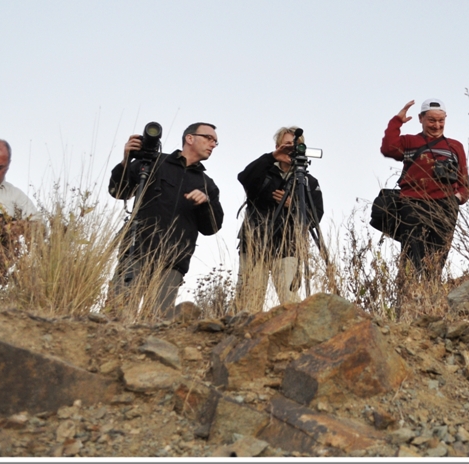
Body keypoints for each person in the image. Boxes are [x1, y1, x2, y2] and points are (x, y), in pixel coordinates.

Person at [108, 122, 224, 318]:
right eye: (209, 138)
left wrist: (205, 204)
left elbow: (212, 227)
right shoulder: (153, 162)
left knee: (158, 322)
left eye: (215, 142)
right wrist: (126, 161)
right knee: (118, 315)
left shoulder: (207, 185)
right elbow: (119, 191)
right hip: (137, 251)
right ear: (190, 138)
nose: (213, 144)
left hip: (172, 263)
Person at [381, 98, 469, 284]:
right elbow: (388, 148)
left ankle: (431, 304)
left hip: (445, 207)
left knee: (436, 263)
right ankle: (406, 305)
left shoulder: (455, 146)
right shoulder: (410, 141)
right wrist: (397, 121)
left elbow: (464, 182)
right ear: (421, 118)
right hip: (413, 205)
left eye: (441, 120)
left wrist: (457, 198)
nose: (437, 125)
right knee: (410, 262)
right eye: (431, 120)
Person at [235, 126, 324, 312]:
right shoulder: (264, 171)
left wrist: (293, 206)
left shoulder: (307, 182)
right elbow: (244, 178)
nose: (291, 149)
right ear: (277, 146)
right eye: (287, 144)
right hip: (255, 242)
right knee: (249, 301)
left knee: (290, 301)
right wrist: (272, 157)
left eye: (296, 145)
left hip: (288, 246)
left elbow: (315, 217)